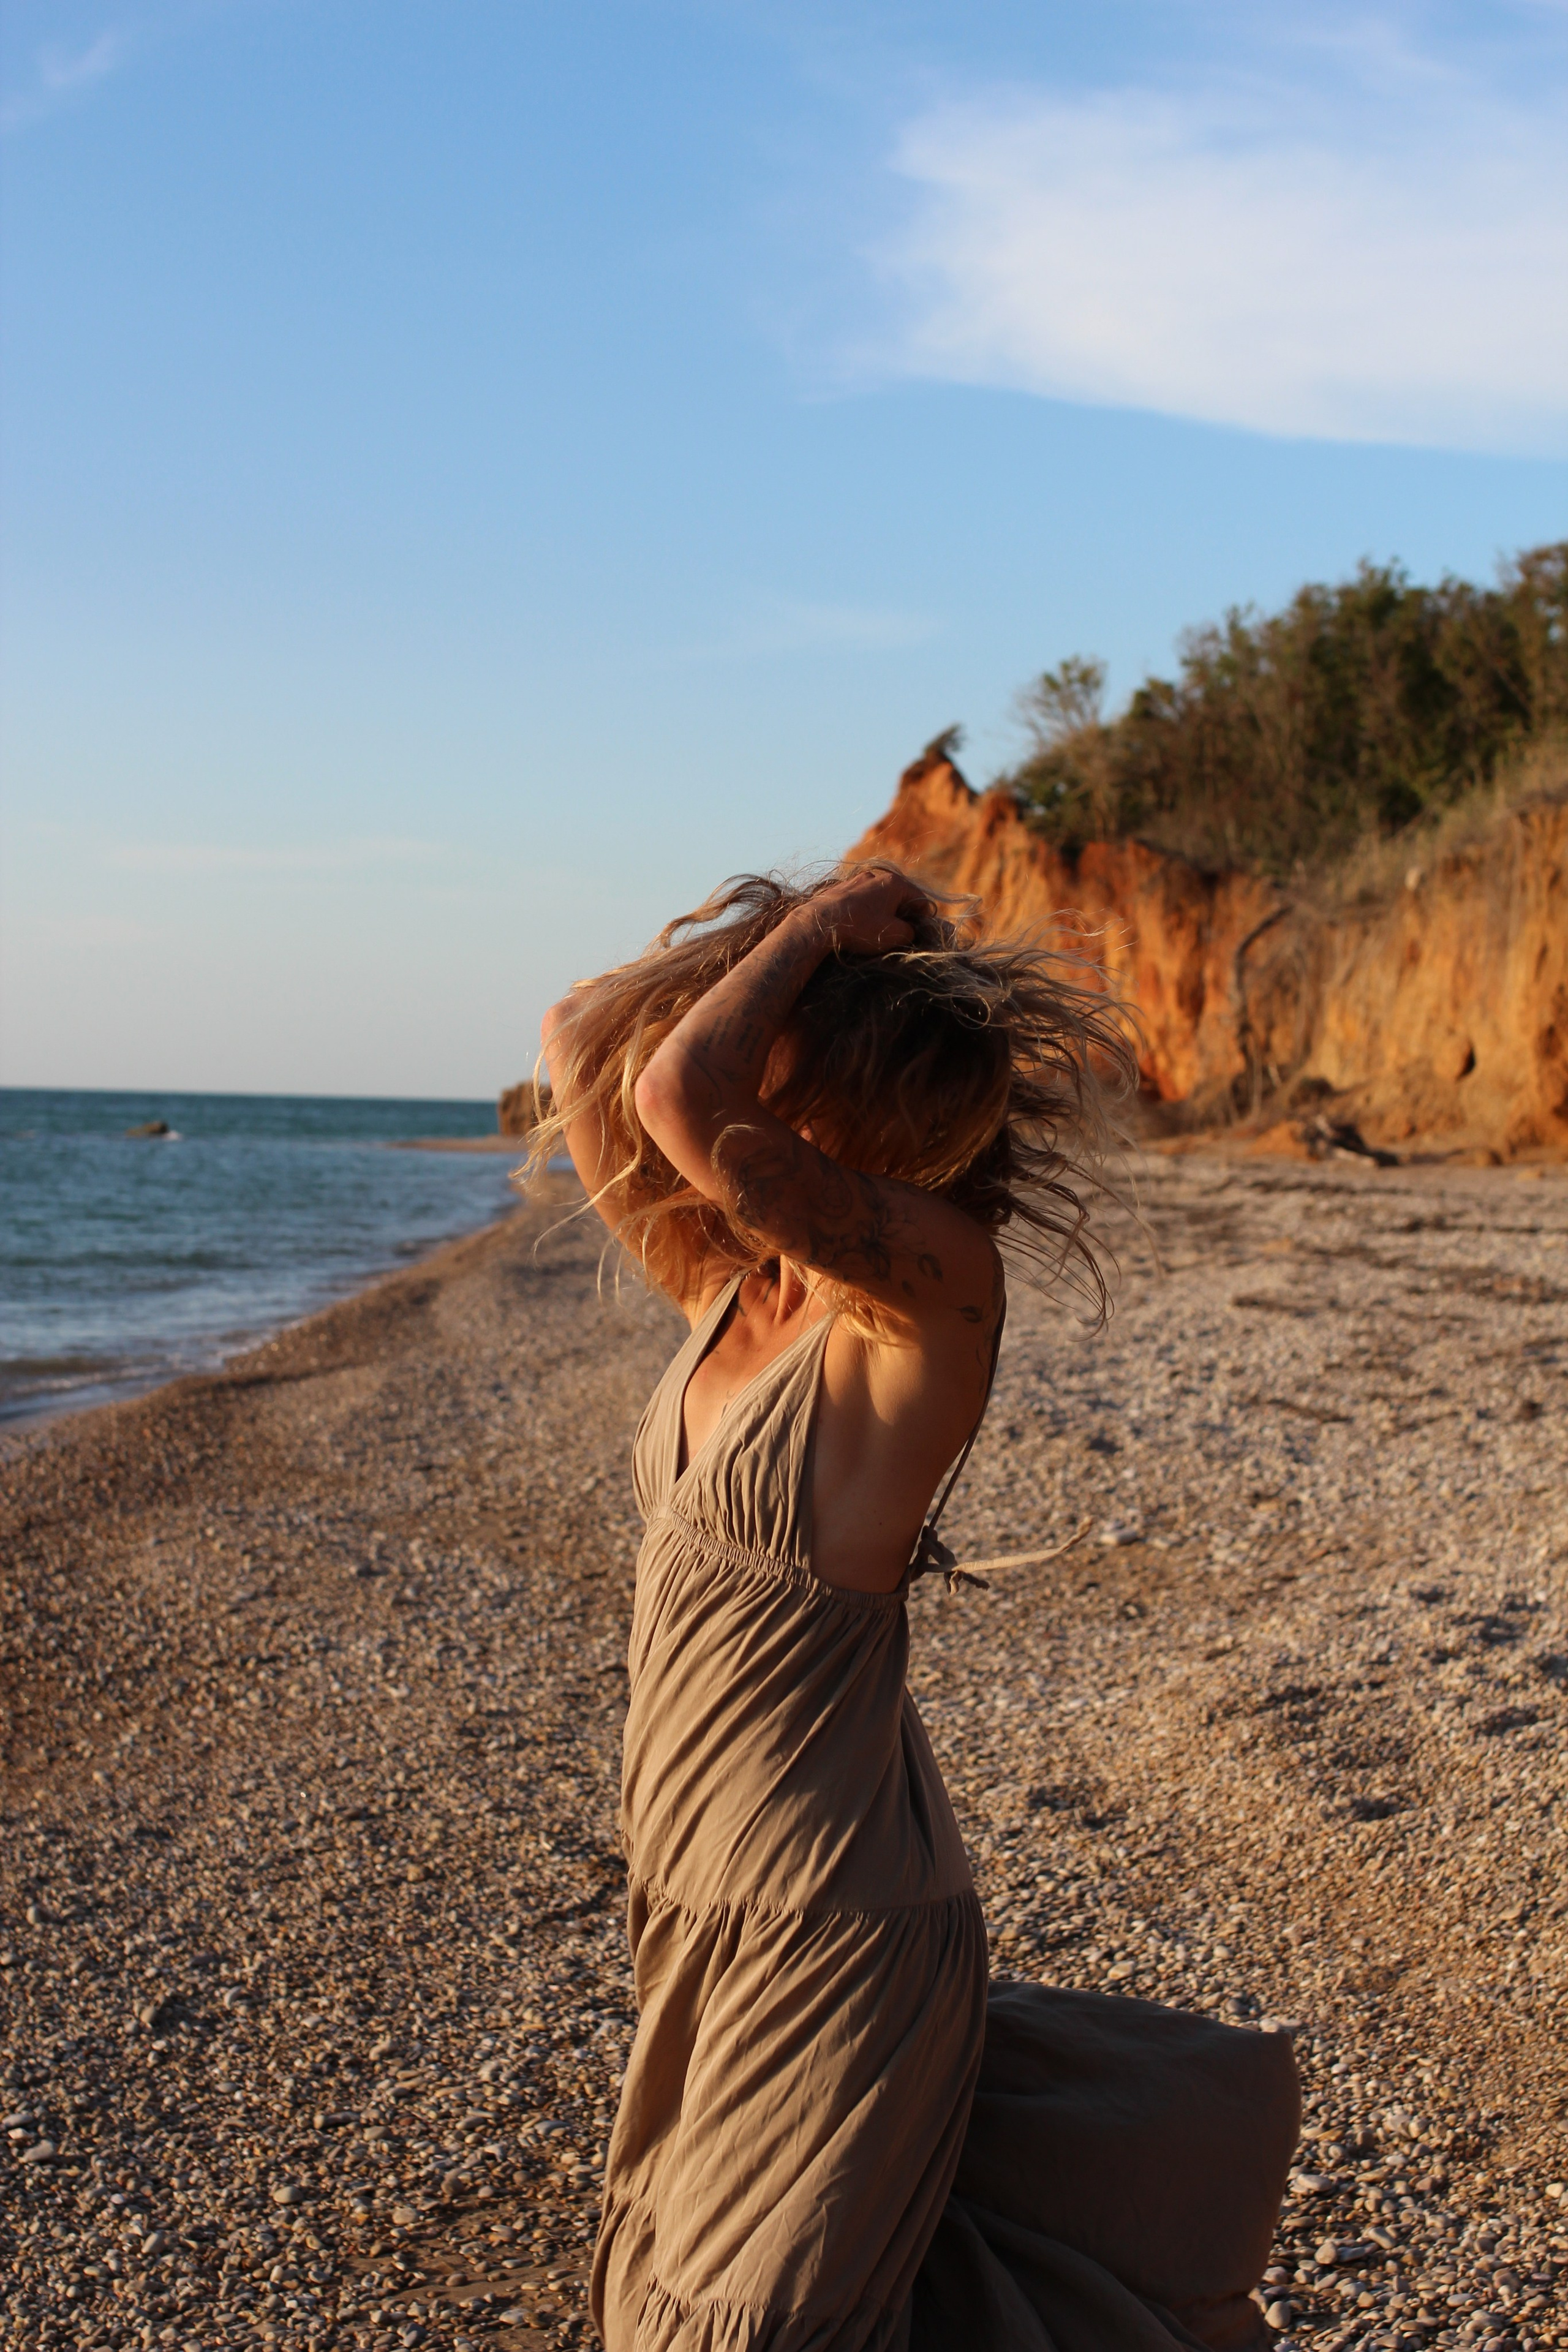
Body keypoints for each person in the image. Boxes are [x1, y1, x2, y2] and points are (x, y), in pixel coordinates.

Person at [529, 862, 1299, 2352]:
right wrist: (773, 943)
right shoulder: (734, 1290)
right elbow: (578, 1039)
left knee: (751, 2327)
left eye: (780, 1044)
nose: (747, 1065)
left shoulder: (927, 1299)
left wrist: (823, 924)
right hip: (694, 1885)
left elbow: (680, 1099)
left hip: (832, 1909)